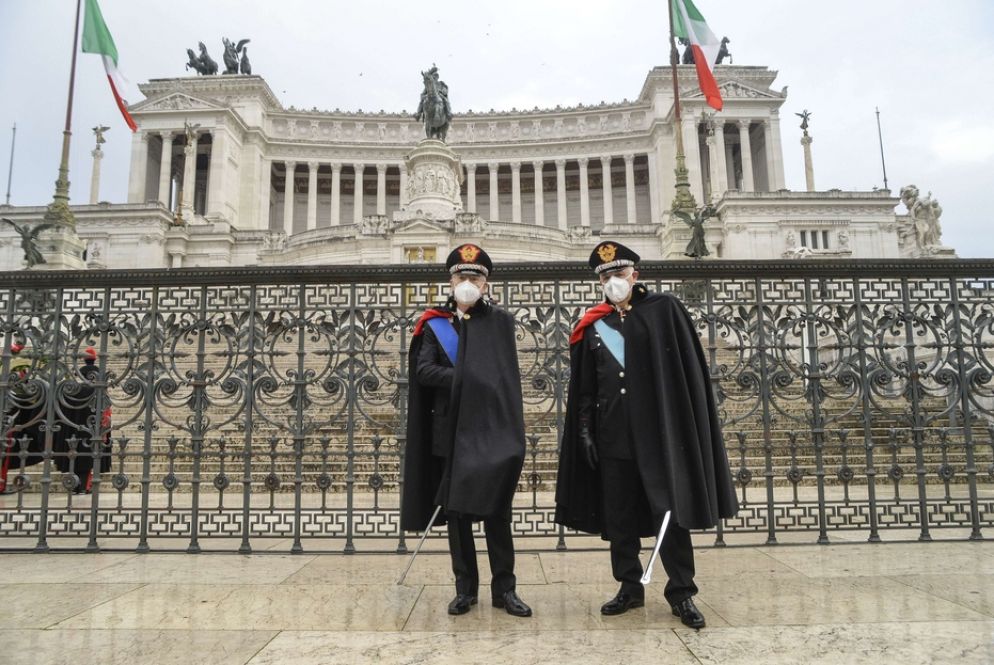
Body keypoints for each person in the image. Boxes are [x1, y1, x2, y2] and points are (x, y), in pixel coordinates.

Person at [555, 241, 738, 629]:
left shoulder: (663, 310)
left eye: (618, 274)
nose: (613, 281)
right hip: (613, 436)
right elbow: (586, 386)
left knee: (668, 512)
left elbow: (684, 375)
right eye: (605, 276)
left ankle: (682, 591)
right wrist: (586, 431)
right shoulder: (594, 324)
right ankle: (628, 586)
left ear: (634, 275)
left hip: (660, 434)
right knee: (618, 516)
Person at [401, 243, 532, 618]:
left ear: (486, 284)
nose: (468, 281)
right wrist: (466, 378)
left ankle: (505, 590)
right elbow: (424, 371)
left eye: (476, 276)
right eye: (462, 275)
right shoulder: (434, 324)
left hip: (492, 432)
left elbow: (508, 381)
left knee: (497, 515)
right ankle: (465, 590)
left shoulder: (500, 323)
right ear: (451, 279)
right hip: (450, 433)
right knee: (457, 517)